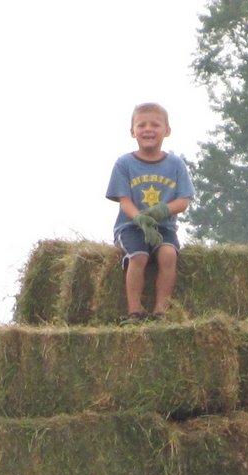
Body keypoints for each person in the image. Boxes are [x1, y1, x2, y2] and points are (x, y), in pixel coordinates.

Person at [105, 102, 194, 324]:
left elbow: (183, 201)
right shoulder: (124, 163)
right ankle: (135, 311)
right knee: (139, 256)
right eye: (141, 124)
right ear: (132, 131)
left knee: (168, 255)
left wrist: (162, 210)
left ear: (167, 131)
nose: (148, 129)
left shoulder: (176, 164)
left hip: (164, 227)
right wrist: (139, 218)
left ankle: (161, 311)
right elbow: (123, 200)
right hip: (130, 227)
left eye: (155, 124)